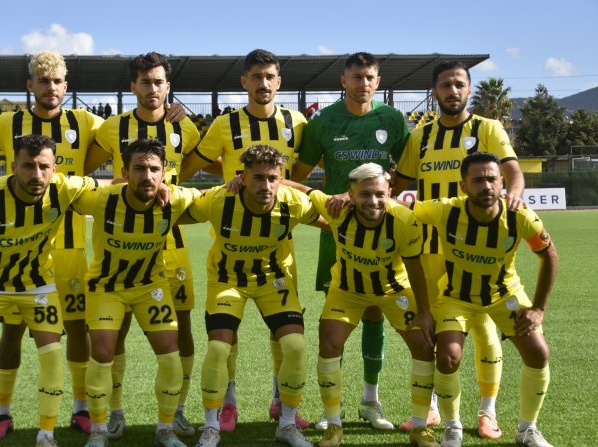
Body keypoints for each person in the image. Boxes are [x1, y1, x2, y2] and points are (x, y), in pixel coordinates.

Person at [0, 50, 104, 438]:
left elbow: (129, 134)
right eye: (43, 81)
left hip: (70, 248)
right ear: (30, 85)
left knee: (77, 328)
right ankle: (3, 413)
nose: (51, 87)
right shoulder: (7, 122)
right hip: (18, 253)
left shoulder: (85, 121)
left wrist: (171, 112)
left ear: (66, 85)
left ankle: (80, 408)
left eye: (57, 81)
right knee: (12, 333)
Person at [391, 60, 526, 437]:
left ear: (468, 89)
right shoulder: (421, 136)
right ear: (435, 92)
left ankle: (487, 412)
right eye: (445, 85)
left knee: (483, 328)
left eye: (459, 84)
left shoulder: (488, 129)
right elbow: (398, 183)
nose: (453, 91)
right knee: (432, 329)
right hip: (430, 247)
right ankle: (433, 409)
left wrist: (514, 198)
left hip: (477, 246)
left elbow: (513, 172)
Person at [179, 48, 309, 432]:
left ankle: (280, 400)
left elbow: (303, 170)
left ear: (279, 82)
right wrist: (227, 180)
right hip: (231, 245)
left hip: (279, 247)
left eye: (269, 76)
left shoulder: (297, 122)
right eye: (256, 77)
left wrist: (285, 187)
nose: (263, 83)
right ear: (244, 82)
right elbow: (191, 165)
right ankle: (229, 402)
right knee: (226, 332)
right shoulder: (225, 124)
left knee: (282, 331)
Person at [290, 51, 410, 431]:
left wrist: (384, 202)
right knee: (334, 320)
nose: (363, 83)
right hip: (337, 235)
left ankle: (371, 401)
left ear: (378, 81)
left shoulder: (392, 120)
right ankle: (334, 408)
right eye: (356, 77)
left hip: (381, 234)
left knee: (375, 312)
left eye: (370, 77)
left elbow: (407, 170)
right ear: (343, 81)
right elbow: (298, 173)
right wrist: (326, 206)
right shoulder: (323, 122)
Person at [0, 134, 98, 447]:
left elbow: (107, 188)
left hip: (37, 285)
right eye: (28, 166)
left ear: (54, 168)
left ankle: (46, 434)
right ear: (13, 166)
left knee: (52, 354)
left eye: (44, 167)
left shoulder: (64, 187)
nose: (37, 174)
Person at [88, 51, 202, 440]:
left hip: (172, 243)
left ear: (168, 86)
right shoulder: (112, 127)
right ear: (133, 86)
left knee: (181, 327)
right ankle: (115, 410)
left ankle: (177, 409)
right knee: (114, 330)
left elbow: (193, 169)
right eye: (145, 82)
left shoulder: (185, 127)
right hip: (122, 243)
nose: (152, 89)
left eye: (158, 82)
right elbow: (84, 168)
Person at [409, 152, 557, 447]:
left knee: (538, 352)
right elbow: (403, 207)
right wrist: (355, 197)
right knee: (448, 356)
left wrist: (538, 308)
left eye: (492, 179)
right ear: (463, 186)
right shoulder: (447, 210)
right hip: (457, 297)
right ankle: (452, 426)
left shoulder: (519, 215)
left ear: (501, 182)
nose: (486, 185)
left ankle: (527, 429)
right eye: (478, 180)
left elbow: (549, 256)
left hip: (504, 295)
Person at [179, 145, 323, 447]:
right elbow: (177, 212)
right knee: (218, 347)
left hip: (274, 281)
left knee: (295, 346)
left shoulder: (293, 202)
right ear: (242, 177)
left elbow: (333, 221)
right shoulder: (219, 200)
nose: (265, 185)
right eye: (257, 177)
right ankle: (211, 426)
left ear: (281, 179)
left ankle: (286, 424)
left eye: (272, 178)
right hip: (228, 281)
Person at [287, 163, 439, 447]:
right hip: (347, 290)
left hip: (392, 290)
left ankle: (421, 428)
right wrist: (245, 180)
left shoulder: (403, 220)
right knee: (329, 344)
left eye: (380, 194)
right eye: (365, 194)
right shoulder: (336, 210)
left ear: (389, 193)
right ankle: (334, 426)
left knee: (422, 344)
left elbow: (415, 268)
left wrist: (424, 312)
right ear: (351, 194)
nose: (373, 201)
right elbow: (299, 188)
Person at [75, 138, 200, 447]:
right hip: (107, 287)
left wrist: (236, 182)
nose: (148, 176)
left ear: (164, 174)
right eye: (140, 169)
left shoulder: (176, 198)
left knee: (170, 353)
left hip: (149, 286)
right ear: (125, 172)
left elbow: (217, 196)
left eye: (154, 170)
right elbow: (63, 186)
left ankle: (165, 429)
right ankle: (101, 428)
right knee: (102, 351)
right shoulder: (102, 199)